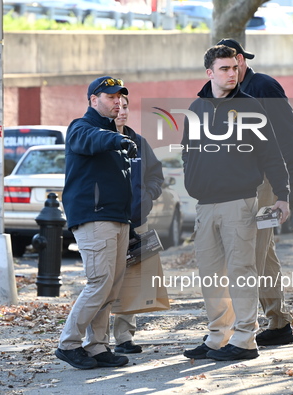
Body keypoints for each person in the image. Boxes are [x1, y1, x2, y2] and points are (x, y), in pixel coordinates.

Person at [181, 45, 290, 361]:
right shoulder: (197, 108)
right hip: (205, 205)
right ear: (210, 73)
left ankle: (244, 340)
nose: (232, 73)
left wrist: (282, 196)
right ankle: (219, 337)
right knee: (210, 273)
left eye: (234, 68)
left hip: (239, 202)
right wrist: (193, 183)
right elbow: (189, 152)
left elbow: (272, 155)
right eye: (225, 69)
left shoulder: (251, 106)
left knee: (241, 270)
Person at [216, 38, 293, 346]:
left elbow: (292, 137)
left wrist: (291, 185)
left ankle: (241, 331)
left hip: (266, 184)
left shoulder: (264, 88)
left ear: (240, 61)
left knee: (248, 253)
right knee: (262, 253)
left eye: (229, 64)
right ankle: (278, 324)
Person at [55, 76, 139, 370]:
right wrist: (116, 139)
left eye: (120, 97)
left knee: (111, 287)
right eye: (111, 96)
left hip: (118, 219)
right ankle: (69, 344)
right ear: (94, 99)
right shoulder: (82, 128)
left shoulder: (113, 134)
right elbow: (92, 140)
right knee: (99, 283)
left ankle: (97, 346)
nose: (118, 101)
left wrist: (133, 224)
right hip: (94, 217)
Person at [111, 94, 164, 354]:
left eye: (125, 107)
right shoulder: (98, 139)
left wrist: (148, 195)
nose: (121, 111)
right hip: (107, 223)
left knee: (132, 279)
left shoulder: (139, 142)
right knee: (104, 280)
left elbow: (156, 174)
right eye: (117, 106)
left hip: (137, 221)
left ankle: (123, 337)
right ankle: (95, 340)